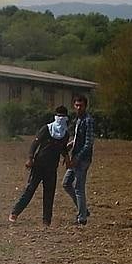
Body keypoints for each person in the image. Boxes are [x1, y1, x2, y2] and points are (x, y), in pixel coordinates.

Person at [10, 107, 70, 226]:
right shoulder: (47, 129)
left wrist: (67, 158)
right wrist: (30, 158)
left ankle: (46, 220)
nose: (60, 119)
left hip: (52, 167)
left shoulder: (65, 134)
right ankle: (15, 212)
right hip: (39, 165)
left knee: (49, 193)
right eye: (59, 116)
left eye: (63, 117)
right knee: (30, 189)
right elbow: (35, 143)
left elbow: (62, 148)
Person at [63, 94, 96, 225]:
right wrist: (69, 145)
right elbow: (78, 138)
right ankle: (83, 209)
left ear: (85, 106)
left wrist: (77, 157)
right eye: (76, 105)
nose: (78, 107)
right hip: (75, 157)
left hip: (83, 159)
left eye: (80, 105)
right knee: (66, 183)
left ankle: (82, 218)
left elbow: (89, 143)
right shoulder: (78, 120)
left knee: (78, 187)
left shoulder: (88, 120)